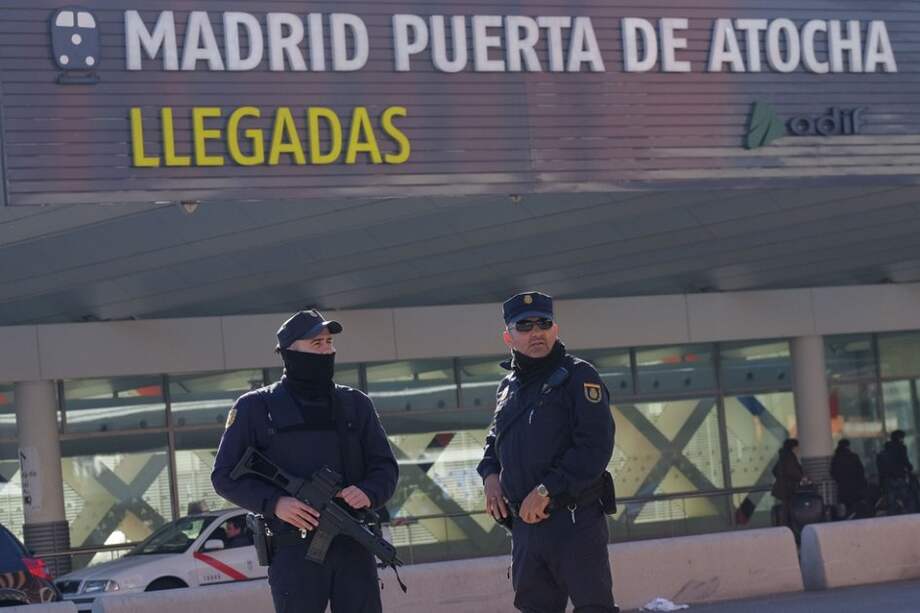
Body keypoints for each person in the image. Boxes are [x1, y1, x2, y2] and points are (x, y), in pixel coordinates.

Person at [211, 309, 399, 613]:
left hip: (354, 544)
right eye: (317, 344)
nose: (326, 349)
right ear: (289, 352)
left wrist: (368, 491)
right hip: (293, 549)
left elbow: (385, 467)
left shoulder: (355, 404)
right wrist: (275, 503)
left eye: (329, 342)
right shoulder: (256, 407)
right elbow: (224, 476)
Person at [477, 291, 618, 613]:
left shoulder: (579, 376)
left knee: (593, 607)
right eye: (524, 326)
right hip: (526, 526)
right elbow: (494, 439)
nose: (536, 332)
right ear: (508, 337)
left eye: (544, 323)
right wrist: (489, 476)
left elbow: (594, 448)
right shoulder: (508, 386)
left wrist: (546, 489)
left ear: (556, 329)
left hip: (574, 520)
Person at [771, 438, 806, 530]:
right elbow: (791, 471)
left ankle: (786, 528)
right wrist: (801, 477)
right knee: (788, 510)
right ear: (793, 447)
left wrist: (781, 478)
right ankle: (787, 529)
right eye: (797, 447)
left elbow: (774, 470)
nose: (799, 449)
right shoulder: (790, 456)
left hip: (784, 487)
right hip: (788, 488)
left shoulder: (783, 456)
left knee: (786, 508)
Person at [830, 439, 868, 518]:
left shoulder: (836, 458)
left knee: (846, 505)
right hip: (855, 487)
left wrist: (840, 480)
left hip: (843, 487)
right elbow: (860, 471)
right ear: (848, 446)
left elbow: (832, 472)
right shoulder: (853, 456)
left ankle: (848, 518)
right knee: (855, 505)